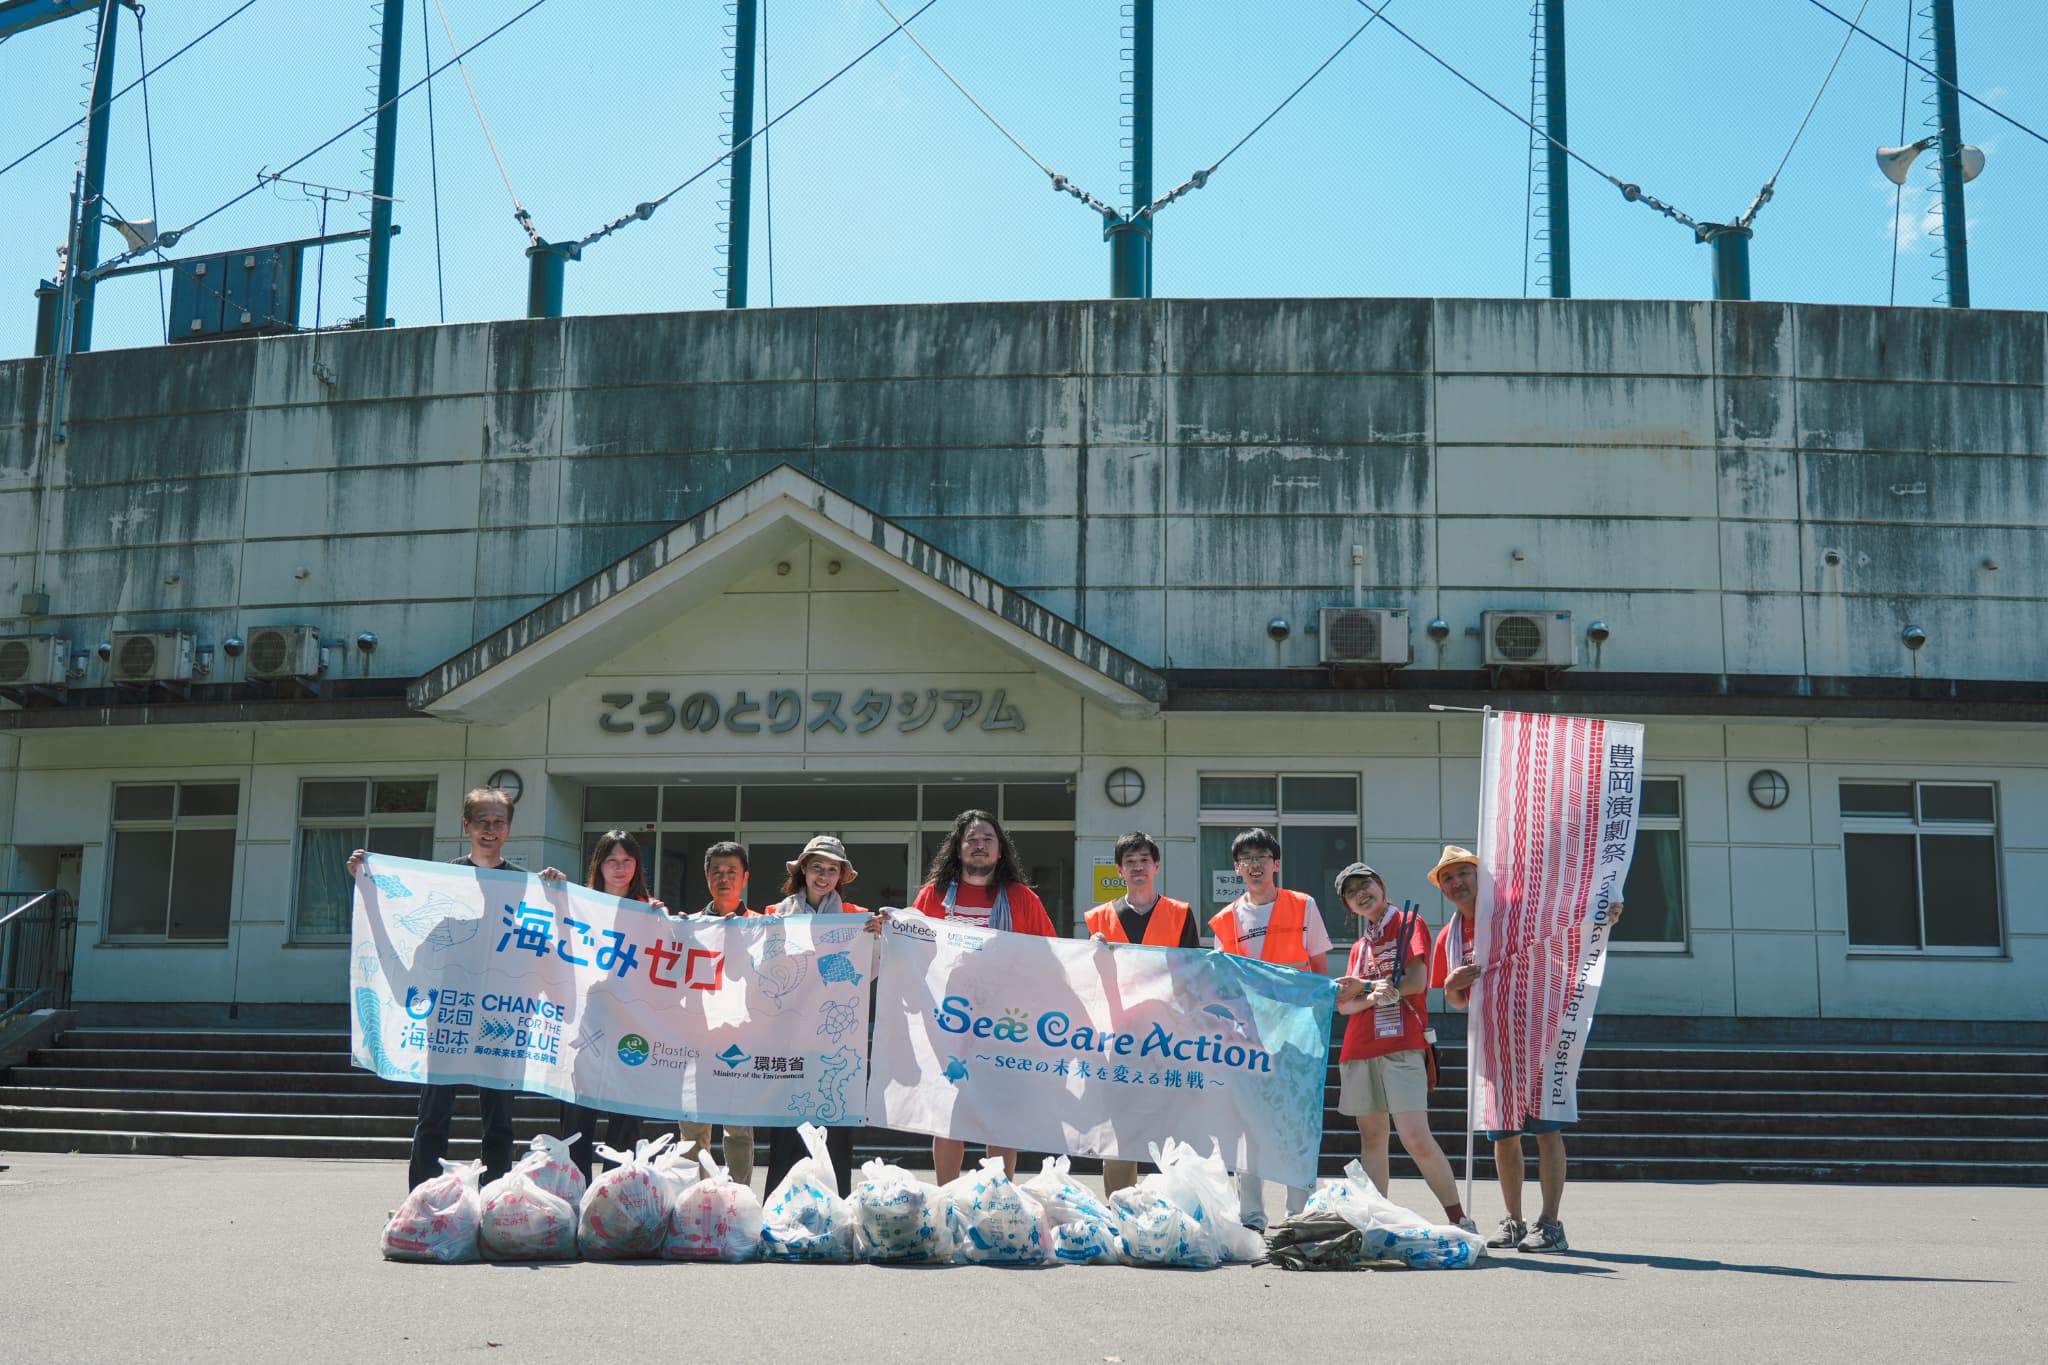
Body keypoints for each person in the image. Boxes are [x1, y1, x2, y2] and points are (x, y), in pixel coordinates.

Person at [348, 786, 565, 1193]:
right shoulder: (442, 882)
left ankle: (494, 1203)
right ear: (466, 826)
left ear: (509, 829)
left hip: (502, 1013)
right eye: (481, 821)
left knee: (499, 1118)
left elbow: (545, 944)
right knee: (433, 1113)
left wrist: (555, 897)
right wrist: (368, 878)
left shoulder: (527, 887)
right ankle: (423, 1203)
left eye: (498, 822)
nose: (489, 829)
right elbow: (411, 933)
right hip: (448, 1010)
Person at [1428, 842, 1620, 1254]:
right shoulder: (1449, 936)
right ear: (1442, 890)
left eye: (1463, 873)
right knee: (1504, 1135)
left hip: (1542, 1034)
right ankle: (1513, 1220)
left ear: (1480, 876)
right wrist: (1451, 986)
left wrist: (1602, 913)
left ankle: (1551, 1223)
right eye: (1448, 878)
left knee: (1547, 1128)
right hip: (1495, 1044)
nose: (1456, 883)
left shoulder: (1516, 913)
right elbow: (1458, 1000)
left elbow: (1564, 925)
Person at [912, 809, 1056, 1183]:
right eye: (971, 839)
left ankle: (1000, 1195)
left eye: (987, 839)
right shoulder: (934, 896)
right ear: (957, 849)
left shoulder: (1023, 899)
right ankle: (946, 1196)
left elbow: (1051, 955)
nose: (979, 845)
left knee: (1000, 1115)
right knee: (948, 1114)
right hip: (948, 1024)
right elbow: (910, 947)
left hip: (1005, 1025)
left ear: (1000, 850)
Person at [1329, 862, 1472, 1232]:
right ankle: (1377, 1221)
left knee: (1414, 1135)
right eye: (1351, 891)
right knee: (1372, 1137)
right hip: (1360, 1047)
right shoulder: (1361, 946)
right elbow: (1344, 1004)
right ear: (1348, 905)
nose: (1361, 893)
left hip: (1402, 1043)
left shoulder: (1407, 922)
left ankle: (1459, 1218)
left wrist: (1365, 989)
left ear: (1381, 883)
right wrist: (1370, 990)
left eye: (1366, 884)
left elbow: (1416, 981)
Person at [1208, 827, 1329, 1230]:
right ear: (1237, 868)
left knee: (1298, 1123)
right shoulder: (1226, 920)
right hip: (1249, 1038)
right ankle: (1252, 1217)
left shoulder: (1303, 905)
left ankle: (1300, 1214)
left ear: (1276, 864)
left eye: (1262, 856)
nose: (1254, 864)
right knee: (1249, 1128)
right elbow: (1223, 983)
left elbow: (1319, 974)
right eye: (1246, 858)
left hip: (1298, 1036)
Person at [1084, 831, 1197, 1198]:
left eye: (1143, 861)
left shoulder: (1180, 914)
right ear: (1119, 870)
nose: (1137, 868)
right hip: (1119, 1036)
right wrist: (1092, 954)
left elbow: (1194, 974)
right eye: (1129, 862)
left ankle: (1177, 1204)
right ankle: (1122, 1208)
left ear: (1156, 866)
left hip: (1169, 1037)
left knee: (1175, 1123)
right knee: (1122, 1125)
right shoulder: (1099, 920)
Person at [760, 835, 871, 1197]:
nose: (823, 876)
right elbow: (760, 970)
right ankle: (778, 1212)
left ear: (841, 876)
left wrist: (878, 936)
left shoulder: (857, 920)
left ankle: (833, 1217)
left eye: (832, 869)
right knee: (787, 1131)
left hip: (835, 1043)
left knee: (834, 1131)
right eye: (817, 867)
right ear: (803, 870)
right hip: (789, 1040)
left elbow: (872, 968)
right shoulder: (775, 915)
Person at [559, 830, 661, 1182]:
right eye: (611, 861)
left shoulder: (650, 912)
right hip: (586, 1026)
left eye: (627, 861)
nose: (620, 869)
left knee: (626, 1124)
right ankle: (575, 1194)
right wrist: (551, 889)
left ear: (637, 866)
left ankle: (613, 1200)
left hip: (631, 1029)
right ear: (598, 865)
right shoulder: (580, 905)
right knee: (577, 1120)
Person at [678, 840, 758, 1188]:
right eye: (717, 872)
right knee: (693, 1129)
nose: (724, 879)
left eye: (732, 873)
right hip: (695, 1039)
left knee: (738, 1130)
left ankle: (738, 1200)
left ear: (745, 879)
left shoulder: (762, 926)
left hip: (742, 1041)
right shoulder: (689, 927)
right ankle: (696, 1200)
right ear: (706, 877)